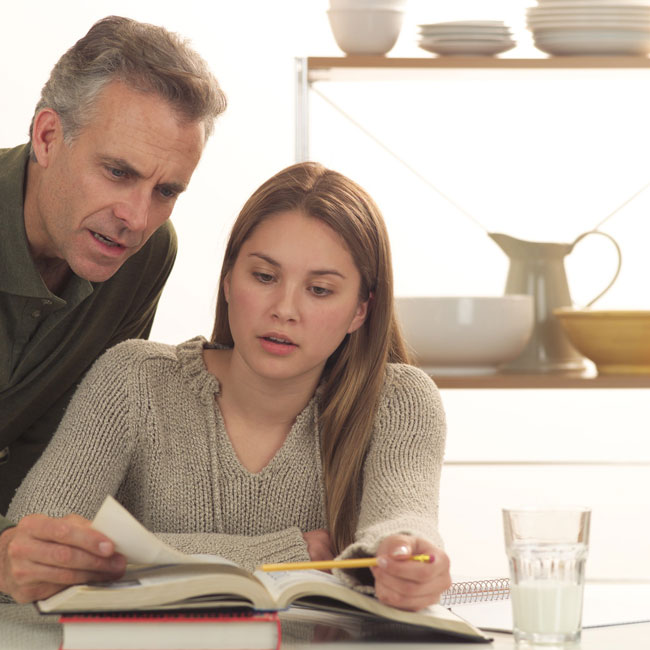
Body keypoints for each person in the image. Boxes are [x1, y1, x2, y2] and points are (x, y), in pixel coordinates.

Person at [7, 162, 451, 610]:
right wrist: (287, 554)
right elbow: (33, 550)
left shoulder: (398, 399)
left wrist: (403, 557)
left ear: (360, 310)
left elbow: (403, 519)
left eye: (319, 289)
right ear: (227, 279)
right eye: (264, 277)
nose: (284, 309)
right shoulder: (134, 378)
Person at [0, 15, 226, 601]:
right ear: (48, 137)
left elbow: (73, 447)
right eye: (118, 172)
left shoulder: (145, 257)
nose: (137, 217)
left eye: (167, 190)